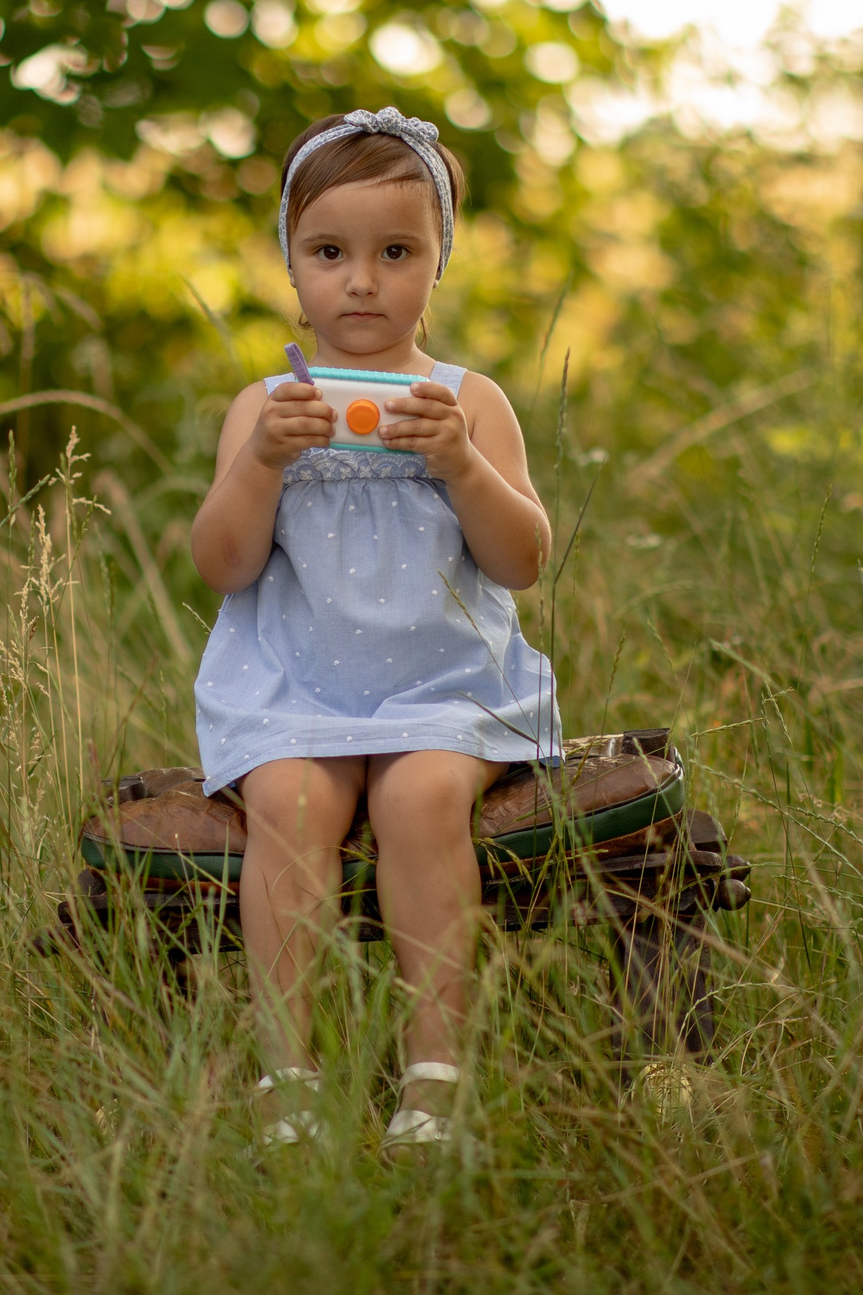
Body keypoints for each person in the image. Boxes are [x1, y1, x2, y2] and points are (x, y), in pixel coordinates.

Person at [190, 107, 561, 1154]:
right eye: (329, 252)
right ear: (291, 265)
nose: (361, 280)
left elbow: (522, 559)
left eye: (396, 251)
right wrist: (262, 460)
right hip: (297, 684)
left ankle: (433, 1072)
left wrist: (461, 464)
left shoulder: (466, 401)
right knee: (292, 799)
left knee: (424, 793)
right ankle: (288, 1075)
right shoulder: (266, 405)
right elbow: (222, 565)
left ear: (438, 259)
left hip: (440, 683)